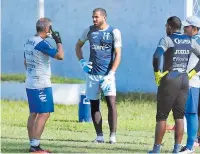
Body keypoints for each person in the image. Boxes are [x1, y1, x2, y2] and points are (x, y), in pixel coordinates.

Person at [149, 16, 200, 153]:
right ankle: (177, 149)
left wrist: (157, 72)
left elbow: (156, 56)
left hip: (170, 77)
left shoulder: (167, 39)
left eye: (166, 26)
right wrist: (192, 72)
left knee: (162, 116)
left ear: (170, 27)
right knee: (179, 116)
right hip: (184, 79)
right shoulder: (190, 41)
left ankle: (156, 149)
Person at [75, 8, 122, 144]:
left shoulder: (114, 32)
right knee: (94, 105)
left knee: (111, 104)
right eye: (93, 17)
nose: (94, 20)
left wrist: (111, 73)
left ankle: (113, 136)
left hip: (108, 75)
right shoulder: (89, 31)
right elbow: (78, 46)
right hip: (92, 75)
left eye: (96, 17)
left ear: (104, 17)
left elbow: (118, 54)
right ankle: (99, 136)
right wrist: (82, 61)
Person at [24, 18, 64, 152]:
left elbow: (25, 62)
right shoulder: (42, 44)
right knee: (44, 113)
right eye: (50, 28)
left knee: (34, 113)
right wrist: (58, 41)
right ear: (47, 29)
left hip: (30, 81)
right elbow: (60, 56)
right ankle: (35, 146)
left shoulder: (29, 40)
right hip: (40, 83)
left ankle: (33, 145)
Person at [180, 16, 200, 153]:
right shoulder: (187, 40)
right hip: (184, 81)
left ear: (194, 28)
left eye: (187, 26)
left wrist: (192, 73)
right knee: (187, 113)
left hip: (193, 82)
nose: (184, 28)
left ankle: (190, 146)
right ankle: (188, 145)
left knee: (191, 113)